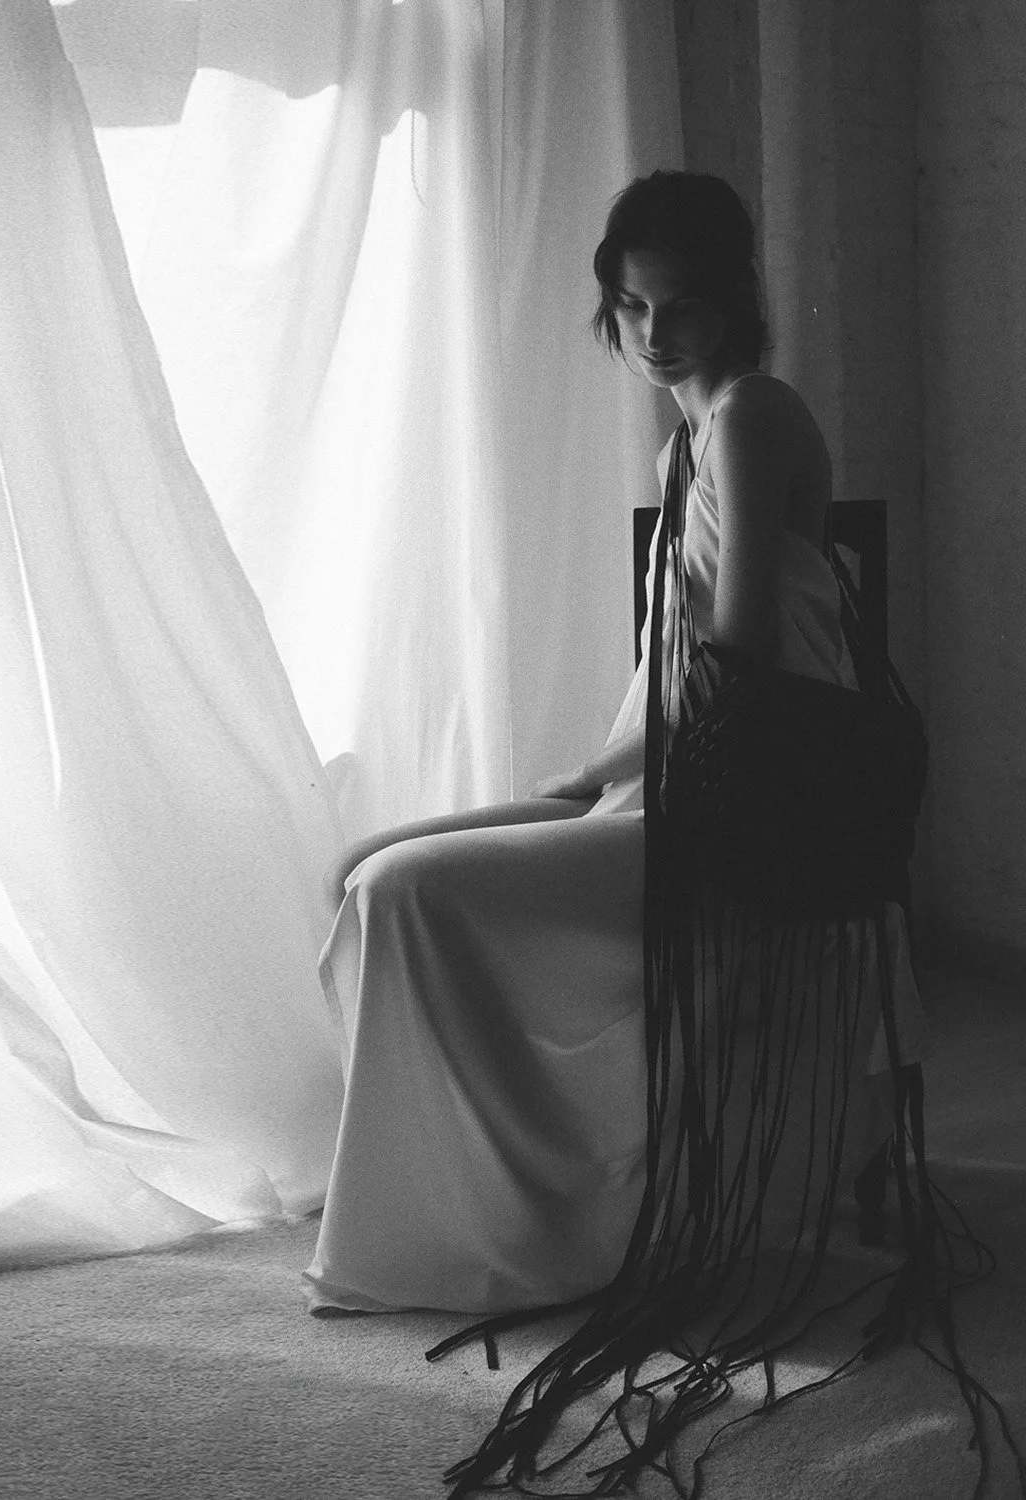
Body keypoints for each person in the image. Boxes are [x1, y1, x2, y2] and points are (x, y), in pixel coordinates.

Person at [302, 169, 925, 1323]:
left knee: (401, 892)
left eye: (679, 304)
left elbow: (740, 646)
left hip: (739, 800)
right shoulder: (680, 449)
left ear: (731, 301)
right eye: (632, 306)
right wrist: (596, 771)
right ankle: (475, 1187)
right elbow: (674, 672)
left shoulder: (749, 416)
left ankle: (507, 1210)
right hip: (660, 776)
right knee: (356, 867)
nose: (651, 332)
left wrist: (608, 766)